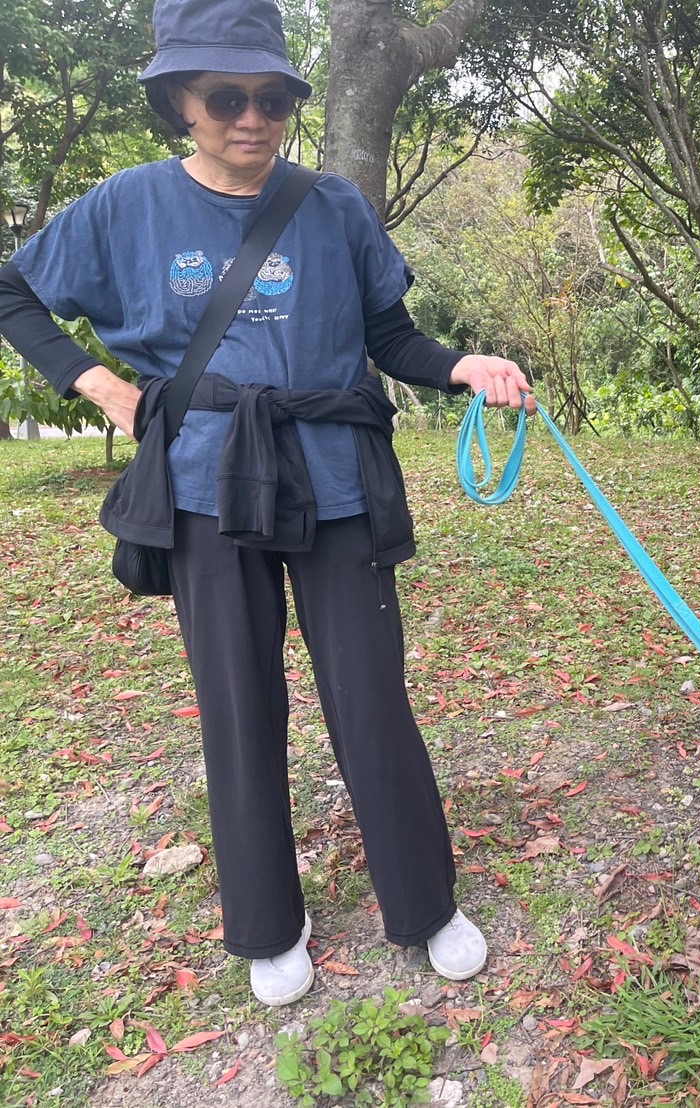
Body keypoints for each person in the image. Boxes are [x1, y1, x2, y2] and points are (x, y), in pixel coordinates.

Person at [0, 0, 534, 1006]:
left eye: (273, 95)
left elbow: (392, 338)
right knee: (239, 705)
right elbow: (13, 291)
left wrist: (465, 363)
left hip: (333, 479)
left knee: (372, 698)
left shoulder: (332, 206)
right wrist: (99, 385)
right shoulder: (123, 207)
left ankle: (423, 904)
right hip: (205, 484)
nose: (253, 116)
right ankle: (266, 921)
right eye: (227, 96)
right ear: (181, 104)